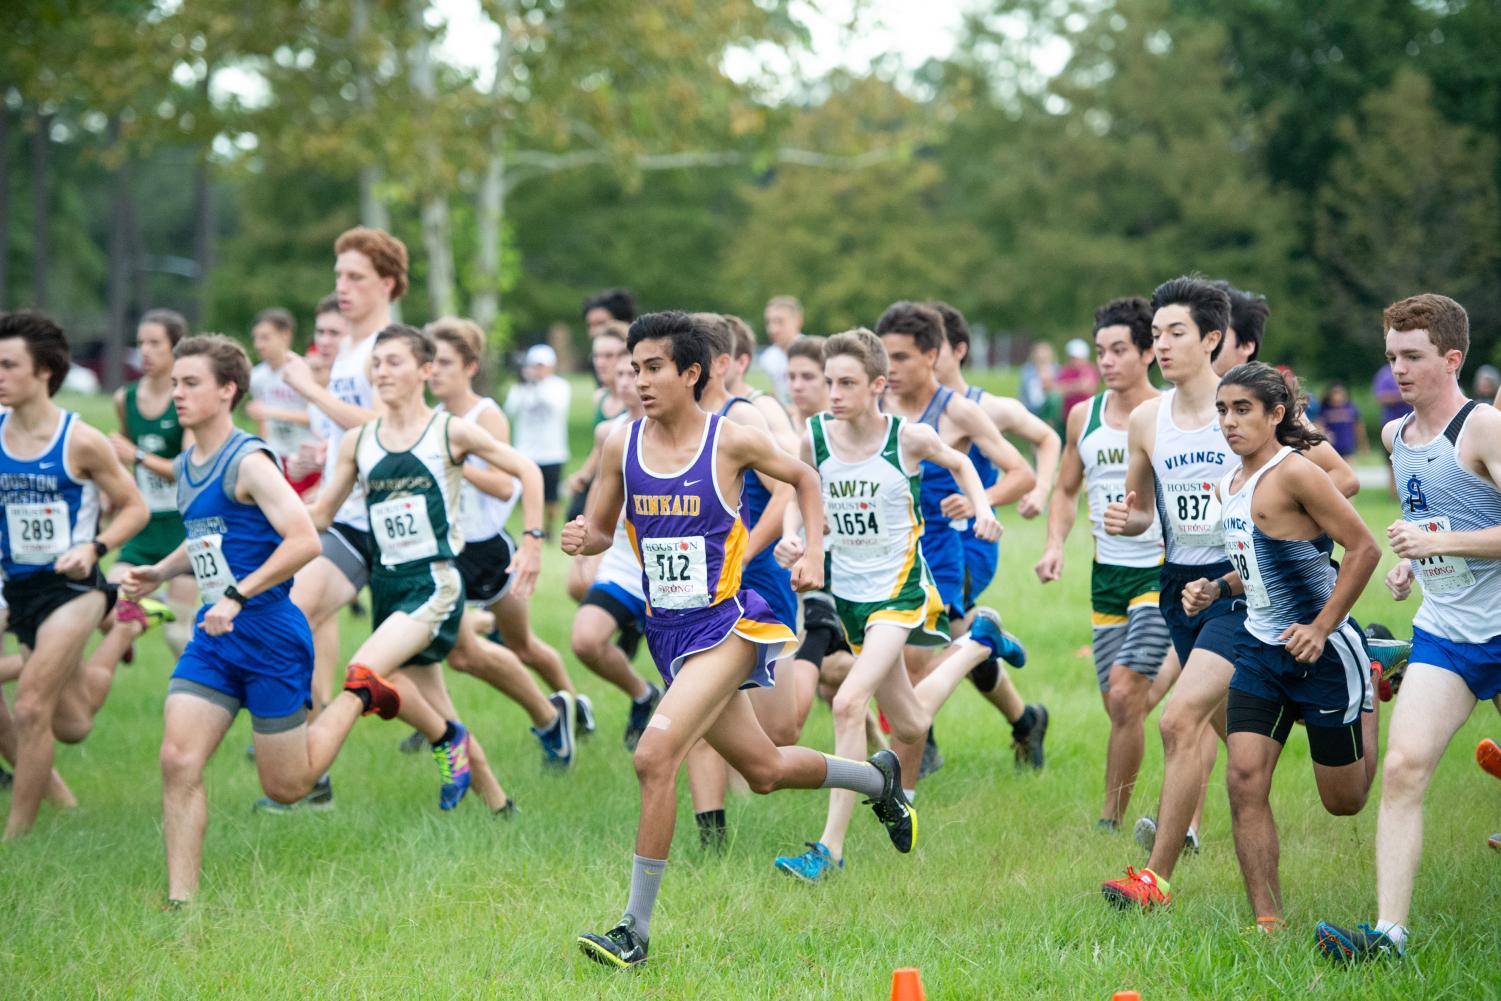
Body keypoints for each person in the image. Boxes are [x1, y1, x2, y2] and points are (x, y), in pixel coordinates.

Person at [567, 312, 916, 969]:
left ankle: (633, 930)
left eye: (653, 367)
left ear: (691, 373)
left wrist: (810, 549)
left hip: (726, 625)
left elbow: (803, 480)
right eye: (633, 368)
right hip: (665, 630)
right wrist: (578, 537)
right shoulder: (621, 444)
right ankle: (877, 781)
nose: (638, 380)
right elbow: (604, 527)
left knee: (653, 754)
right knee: (764, 769)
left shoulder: (730, 440)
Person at [132, 335, 401, 903]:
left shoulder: (248, 461)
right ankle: (181, 901)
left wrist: (236, 593)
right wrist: (158, 572)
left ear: (227, 390)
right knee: (177, 760)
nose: (176, 393)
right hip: (214, 636)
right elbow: (205, 539)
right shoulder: (186, 463)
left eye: (191, 383)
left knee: (286, 787)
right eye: (175, 382)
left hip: (270, 635)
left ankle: (357, 693)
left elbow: (305, 539)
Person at [771, 328, 1011, 882]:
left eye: (847, 383)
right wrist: (795, 538)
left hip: (899, 593)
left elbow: (963, 464)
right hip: (850, 596)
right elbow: (798, 492)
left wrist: (982, 510)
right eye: (830, 382)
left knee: (849, 701)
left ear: (878, 385)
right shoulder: (814, 437)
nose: (834, 393)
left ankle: (828, 850)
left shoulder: (909, 437)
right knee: (910, 720)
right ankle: (979, 644)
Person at [1317, 294, 1501, 960]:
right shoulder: (1395, 438)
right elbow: (1429, 529)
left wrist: (1435, 546)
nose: (1398, 369)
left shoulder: (1482, 428)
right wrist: (1410, 568)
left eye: (1413, 356)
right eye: (1391, 355)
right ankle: (1387, 936)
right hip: (1445, 633)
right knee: (1400, 768)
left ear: (1451, 359)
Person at [311, 324, 539, 814]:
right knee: (432, 699)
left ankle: (444, 739)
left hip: (434, 582)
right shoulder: (358, 442)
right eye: (376, 363)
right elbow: (321, 515)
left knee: (363, 674)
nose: (381, 372)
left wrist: (533, 541)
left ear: (424, 370)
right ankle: (501, 806)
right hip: (386, 585)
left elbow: (528, 472)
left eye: (394, 361)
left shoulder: (448, 431)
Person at [1199, 362, 1380, 930]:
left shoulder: (1296, 472)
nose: (1229, 421)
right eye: (1223, 410)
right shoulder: (1231, 482)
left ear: (1277, 414)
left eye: (1242, 409)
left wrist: (1323, 627)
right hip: (1260, 652)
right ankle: (1268, 922)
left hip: (1325, 651)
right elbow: (1261, 563)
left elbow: (1364, 548)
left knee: (1343, 802)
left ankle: (1373, 679)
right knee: (1244, 777)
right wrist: (1217, 587)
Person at [1099, 276, 1244, 910]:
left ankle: (1153, 880)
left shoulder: (1243, 405)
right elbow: (1140, 511)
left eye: (1175, 333)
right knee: (1243, 738)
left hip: (1238, 584)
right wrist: (1122, 519)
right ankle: (1356, 681)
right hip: (1178, 584)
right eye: (1155, 334)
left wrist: (1258, 519)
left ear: (1212, 338)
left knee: (1177, 718)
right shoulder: (1146, 417)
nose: (1161, 345)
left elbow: (1336, 478)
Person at [0, 311, 150, 839]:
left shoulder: (79, 441)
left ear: (43, 372)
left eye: (7, 364)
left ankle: (15, 836)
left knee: (33, 704)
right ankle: (127, 629)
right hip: (12, 586)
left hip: (72, 587)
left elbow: (134, 508)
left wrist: (95, 546)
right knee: (73, 722)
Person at [875, 302, 1043, 770]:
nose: (890, 369)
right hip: (885, 553)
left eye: (902, 357)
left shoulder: (959, 412)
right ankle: (1018, 709)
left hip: (945, 552)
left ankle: (913, 757)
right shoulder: (876, 406)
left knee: (913, 659)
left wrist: (977, 500)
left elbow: (1021, 472)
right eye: (884, 356)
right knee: (898, 652)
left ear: (932, 355)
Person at [1036, 297, 1174, 831]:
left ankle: (1109, 822)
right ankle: (1180, 682)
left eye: (1120, 350)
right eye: (1101, 351)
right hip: (1106, 576)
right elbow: (1066, 491)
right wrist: (1054, 545)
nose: (1108, 361)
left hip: (1159, 571)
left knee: (1123, 695)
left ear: (1148, 352)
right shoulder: (1082, 415)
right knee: (1117, 704)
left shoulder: (1169, 414)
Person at [277, 228, 407, 788]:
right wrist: (322, 467)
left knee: (451, 663)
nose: (343, 287)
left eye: (355, 277)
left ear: (387, 283)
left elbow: (382, 428)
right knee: (296, 616)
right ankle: (309, 771)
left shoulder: (387, 346)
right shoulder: (351, 349)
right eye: (338, 276)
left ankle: (546, 716)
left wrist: (307, 387)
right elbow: (349, 438)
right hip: (350, 517)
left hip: (391, 521)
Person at [423, 317, 577, 765]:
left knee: (524, 645)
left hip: (488, 550)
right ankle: (435, 725)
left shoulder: (485, 415)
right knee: (442, 647)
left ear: (470, 366)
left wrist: (455, 463)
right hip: (446, 549)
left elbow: (506, 486)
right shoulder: (428, 416)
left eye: (445, 362)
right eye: (430, 361)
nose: (434, 371)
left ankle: (568, 706)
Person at [571, 353, 664, 750]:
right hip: (624, 563)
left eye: (639, 372)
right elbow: (599, 494)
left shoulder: (690, 432)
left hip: (675, 571)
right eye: (624, 374)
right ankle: (643, 693)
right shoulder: (610, 434)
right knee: (585, 641)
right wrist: (587, 550)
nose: (630, 381)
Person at [108, 309, 196, 655]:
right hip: (143, 525)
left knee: (179, 636)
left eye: (155, 343)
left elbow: (186, 470)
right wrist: (114, 494)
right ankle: (143, 613)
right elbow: (127, 464)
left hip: (182, 527)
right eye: (140, 342)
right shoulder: (124, 398)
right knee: (109, 601)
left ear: (175, 348)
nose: (144, 351)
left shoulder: (187, 400)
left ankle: (203, 698)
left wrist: (137, 456)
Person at [248, 308, 321, 497]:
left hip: (308, 459)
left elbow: (319, 416)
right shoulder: (257, 376)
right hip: (279, 458)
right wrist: (265, 454)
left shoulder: (305, 369)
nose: (258, 344)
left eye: (265, 337)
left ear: (285, 335)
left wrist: (270, 412)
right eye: (256, 338)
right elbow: (261, 422)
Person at [504, 344, 570, 538]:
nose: (538, 370)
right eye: (535, 365)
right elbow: (510, 410)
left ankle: (549, 527)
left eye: (542, 366)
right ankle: (533, 527)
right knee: (528, 493)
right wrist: (524, 385)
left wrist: (537, 386)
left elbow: (556, 407)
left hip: (552, 450)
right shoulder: (520, 387)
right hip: (526, 450)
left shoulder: (559, 386)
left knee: (551, 496)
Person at [759, 295, 803, 403]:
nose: (773, 329)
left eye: (779, 321)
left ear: (797, 321)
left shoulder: (813, 352)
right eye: (769, 322)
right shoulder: (768, 357)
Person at [1020, 342, 1063, 432]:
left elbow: (1060, 389)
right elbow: (1024, 391)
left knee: (1053, 400)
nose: (1041, 356)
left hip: (1049, 406)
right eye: (1039, 353)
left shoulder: (1056, 369)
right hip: (1032, 405)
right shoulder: (1028, 370)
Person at [1057, 337, 1101, 419]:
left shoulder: (1089, 369)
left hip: (1086, 414)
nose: (1074, 360)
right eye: (1072, 357)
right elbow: (1058, 390)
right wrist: (1078, 385)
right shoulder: (1066, 370)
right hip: (1068, 415)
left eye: (1076, 358)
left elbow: (1088, 388)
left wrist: (1069, 386)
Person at [1318, 383, 1365, 458]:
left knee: (1348, 467)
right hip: (1331, 446)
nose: (1338, 396)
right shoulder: (1324, 408)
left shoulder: (1350, 408)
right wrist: (1324, 433)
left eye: (1340, 392)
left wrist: (1363, 444)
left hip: (1347, 446)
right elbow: (1319, 425)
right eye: (1335, 392)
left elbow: (1358, 427)